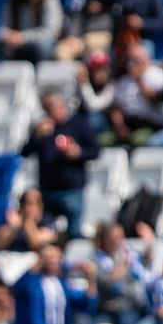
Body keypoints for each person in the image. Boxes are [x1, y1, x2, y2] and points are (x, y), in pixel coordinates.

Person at [21, 92, 100, 240]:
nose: (50, 111)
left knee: (74, 232)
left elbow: (95, 151)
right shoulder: (43, 127)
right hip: (47, 190)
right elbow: (25, 153)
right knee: (45, 231)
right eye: (46, 108)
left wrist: (78, 152)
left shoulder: (78, 124)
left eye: (53, 106)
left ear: (62, 105)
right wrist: (36, 136)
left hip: (72, 189)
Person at [0, 0, 63, 64]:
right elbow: (2, 28)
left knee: (42, 46)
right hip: (16, 43)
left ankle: (41, 77)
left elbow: (51, 31)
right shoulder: (12, 1)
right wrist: (7, 36)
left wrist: (23, 37)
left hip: (38, 41)